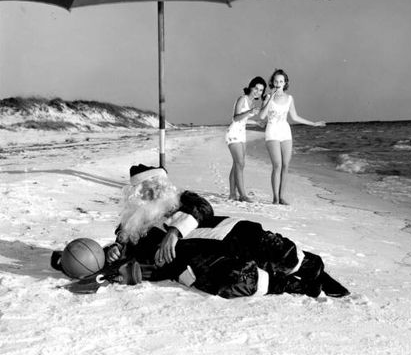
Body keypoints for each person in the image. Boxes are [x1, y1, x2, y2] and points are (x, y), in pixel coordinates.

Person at [54, 165, 349, 299]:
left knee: (279, 252)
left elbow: (203, 207)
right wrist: (112, 252)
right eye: (145, 190)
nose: (152, 192)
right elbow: (117, 259)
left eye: (156, 186)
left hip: (231, 234)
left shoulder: (182, 200)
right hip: (198, 264)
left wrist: (174, 233)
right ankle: (295, 286)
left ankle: (312, 267)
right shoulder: (129, 227)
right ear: (136, 196)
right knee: (239, 281)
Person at [260, 69, 325, 205]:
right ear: (272, 82)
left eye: (281, 81)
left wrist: (313, 124)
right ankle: (275, 198)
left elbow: (295, 117)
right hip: (272, 131)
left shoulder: (289, 98)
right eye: (276, 81)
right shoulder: (267, 97)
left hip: (285, 132)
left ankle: (282, 197)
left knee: (285, 165)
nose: (278, 83)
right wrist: (270, 97)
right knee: (277, 165)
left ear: (285, 83)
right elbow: (261, 116)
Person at [224, 76, 266, 202]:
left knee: (237, 164)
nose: (257, 92)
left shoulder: (251, 102)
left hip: (242, 134)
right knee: (240, 163)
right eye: (256, 88)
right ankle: (242, 195)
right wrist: (250, 112)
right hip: (233, 133)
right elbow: (236, 118)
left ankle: (232, 194)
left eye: (261, 90)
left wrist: (257, 123)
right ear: (251, 87)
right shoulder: (242, 99)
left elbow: (244, 120)